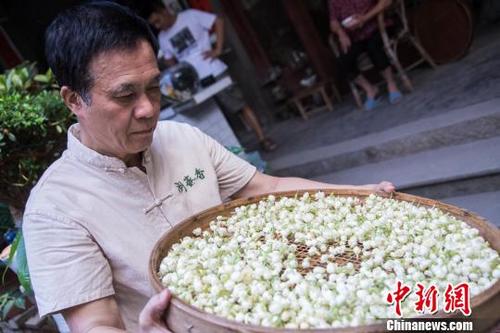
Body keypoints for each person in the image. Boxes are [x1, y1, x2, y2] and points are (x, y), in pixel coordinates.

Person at [23, 2, 395, 332]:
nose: (148, 109)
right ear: (74, 99)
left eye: (153, 87)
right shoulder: (54, 209)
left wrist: (357, 195)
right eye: (125, 95)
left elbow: (267, 188)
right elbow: (95, 323)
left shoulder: (183, 139)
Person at [146, 3, 278, 152]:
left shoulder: (190, 16)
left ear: (164, 11)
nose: (158, 26)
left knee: (239, 105)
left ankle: (262, 139)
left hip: (213, 70)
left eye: (158, 21)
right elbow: (171, 63)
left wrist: (218, 49)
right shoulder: (162, 38)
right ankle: (234, 152)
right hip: (193, 83)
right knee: (212, 115)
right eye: (154, 25)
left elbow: (218, 20)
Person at [329, 0, 403, 111]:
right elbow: (333, 22)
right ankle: (370, 89)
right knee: (343, 60)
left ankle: (391, 84)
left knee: (373, 47)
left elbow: (386, 2)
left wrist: (364, 18)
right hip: (356, 36)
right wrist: (341, 33)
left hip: (377, 26)